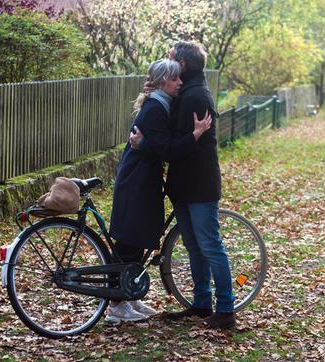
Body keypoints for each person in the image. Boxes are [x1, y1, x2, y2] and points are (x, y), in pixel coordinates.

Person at [131, 41, 236, 329]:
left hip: (199, 186)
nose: (169, 61)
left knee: (210, 246)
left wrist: (146, 143)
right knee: (194, 246)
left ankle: (225, 309)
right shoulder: (186, 92)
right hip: (185, 184)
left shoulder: (195, 97)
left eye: (172, 58)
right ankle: (202, 304)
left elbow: (175, 145)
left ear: (184, 65)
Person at [105, 59, 213, 324]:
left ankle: (129, 297)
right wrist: (196, 134)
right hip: (136, 182)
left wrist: (147, 144)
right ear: (164, 80)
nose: (180, 83)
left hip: (143, 180)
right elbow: (168, 149)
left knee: (138, 238)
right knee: (129, 241)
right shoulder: (155, 107)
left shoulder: (160, 103)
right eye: (175, 79)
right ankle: (116, 305)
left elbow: (156, 144)